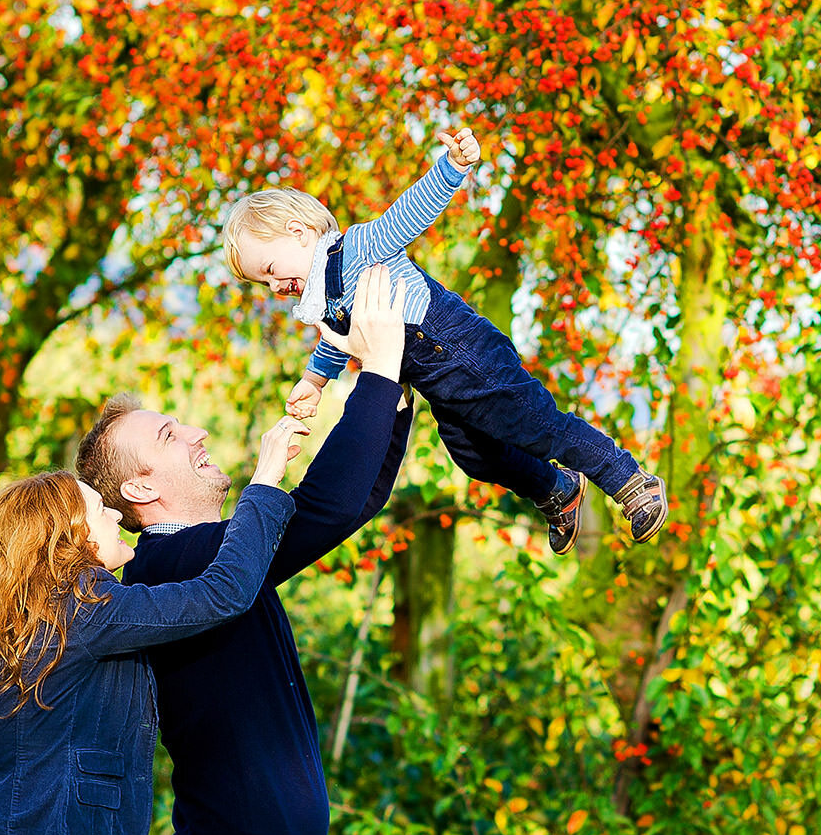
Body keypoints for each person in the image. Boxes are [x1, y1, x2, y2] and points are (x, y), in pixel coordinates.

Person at [75, 265, 412, 835]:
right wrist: (377, 375)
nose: (196, 433)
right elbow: (325, 509)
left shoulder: (211, 554)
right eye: (168, 436)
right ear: (140, 490)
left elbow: (350, 504)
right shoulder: (169, 568)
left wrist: (395, 393)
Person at [221, 126, 668, 556]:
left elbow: (407, 214)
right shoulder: (324, 300)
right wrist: (314, 382)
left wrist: (452, 166)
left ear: (298, 233)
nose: (274, 286)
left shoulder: (355, 248)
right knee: (475, 457)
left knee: (535, 422)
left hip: (462, 349)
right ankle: (557, 489)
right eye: (263, 283)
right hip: (438, 381)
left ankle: (628, 479)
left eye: (271, 269)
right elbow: (340, 340)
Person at [0, 416, 310, 835]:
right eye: (98, 509)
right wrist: (265, 482)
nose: (115, 514)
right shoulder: (85, 604)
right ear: (69, 538)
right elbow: (223, 593)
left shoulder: (36, 611)